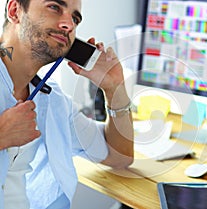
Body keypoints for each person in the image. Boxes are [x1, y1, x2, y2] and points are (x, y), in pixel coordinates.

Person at [0, 0, 134, 208]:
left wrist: (114, 88)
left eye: (75, 18)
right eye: (55, 7)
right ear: (15, 10)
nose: (69, 25)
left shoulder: (52, 100)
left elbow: (119, 157)